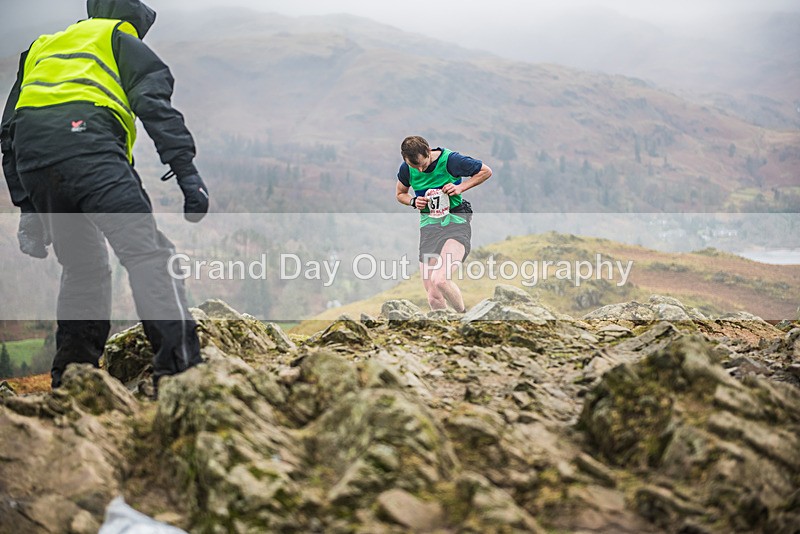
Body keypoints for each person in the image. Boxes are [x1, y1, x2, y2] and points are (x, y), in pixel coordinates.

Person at [1, 0, 209, 392]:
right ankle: (181, 374)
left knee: (83, 268)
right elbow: (155, 105)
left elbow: (9, 128)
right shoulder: (119, 37)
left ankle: (72, 381)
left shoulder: (43, 45)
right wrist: (187, 173)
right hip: (89, 147)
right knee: (149, 254)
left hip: (35, 160)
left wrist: (28, 207)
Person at [395, 135, 492, 312]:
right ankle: (445, 326)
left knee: (440, 279)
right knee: (433, 295)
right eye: (415, 166)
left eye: (423, 164)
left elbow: (486, 171)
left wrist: (460, 187)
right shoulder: (406, 169)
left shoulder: (451, 160)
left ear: (428, 151)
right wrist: (413, 201)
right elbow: (401, 193)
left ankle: (464, 318)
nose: (420, 169)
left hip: (455, 220)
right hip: (429, 226)